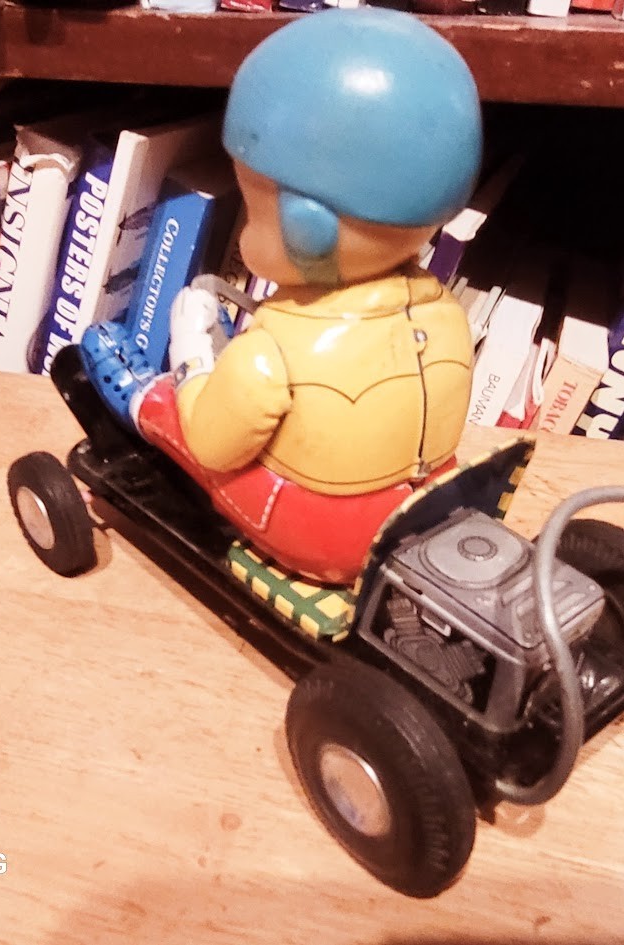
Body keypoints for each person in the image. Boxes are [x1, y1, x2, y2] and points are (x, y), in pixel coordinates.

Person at [80, 7, 483, 584]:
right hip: (425, 504)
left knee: (181, 421)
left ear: (308, 230)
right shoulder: (446, 313)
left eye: (254, 209)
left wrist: (192, 358)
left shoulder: (274, 351)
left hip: (321, 538)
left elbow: (214, 446)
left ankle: (137, 395)